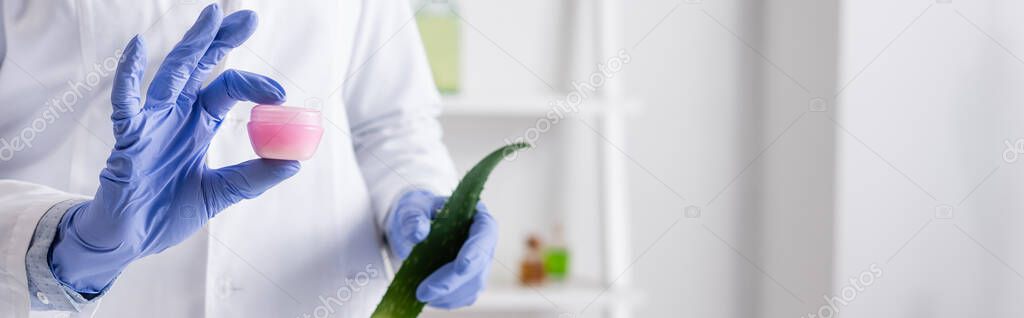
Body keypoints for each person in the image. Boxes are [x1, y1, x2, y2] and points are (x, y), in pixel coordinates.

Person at [0, 1, 497, 317]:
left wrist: (414, 196)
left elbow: (391, 119)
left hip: (314, 296)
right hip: (71, 299)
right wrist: (58, 244)